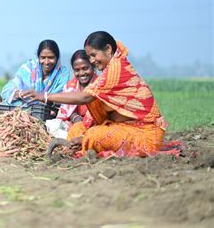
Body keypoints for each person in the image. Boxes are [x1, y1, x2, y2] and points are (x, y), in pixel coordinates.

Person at [24, 31, 168, 157]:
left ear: (108, 49)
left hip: (144, 133)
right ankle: (81, 144)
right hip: (118, 125)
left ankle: (83, 144)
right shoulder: (109, 69)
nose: (92, 61)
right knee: (77, 129)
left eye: (93, 55)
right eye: (89, 56)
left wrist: (44, 96)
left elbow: (86, 97)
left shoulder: (116, 70)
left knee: (93, 135)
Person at [45, 50, 97, 138]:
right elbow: (67, 109)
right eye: (77, 70)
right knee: (52, 125)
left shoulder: (99, 85)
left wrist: (83, 123)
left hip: (94, 125)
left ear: (93, 66)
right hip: (75, 124)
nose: (81, 73)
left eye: (85, 68)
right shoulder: (70, 86)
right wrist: (75, 117)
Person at [1, 39, 70, 106]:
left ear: (57, 58)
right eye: (43, 58)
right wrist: (20, 93)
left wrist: (44, 98)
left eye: (51, 58)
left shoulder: (63, 74)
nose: (46, 62)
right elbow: (7, 91)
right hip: (21, 108)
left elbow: (63, 100)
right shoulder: (29, 68)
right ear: (38, 57)